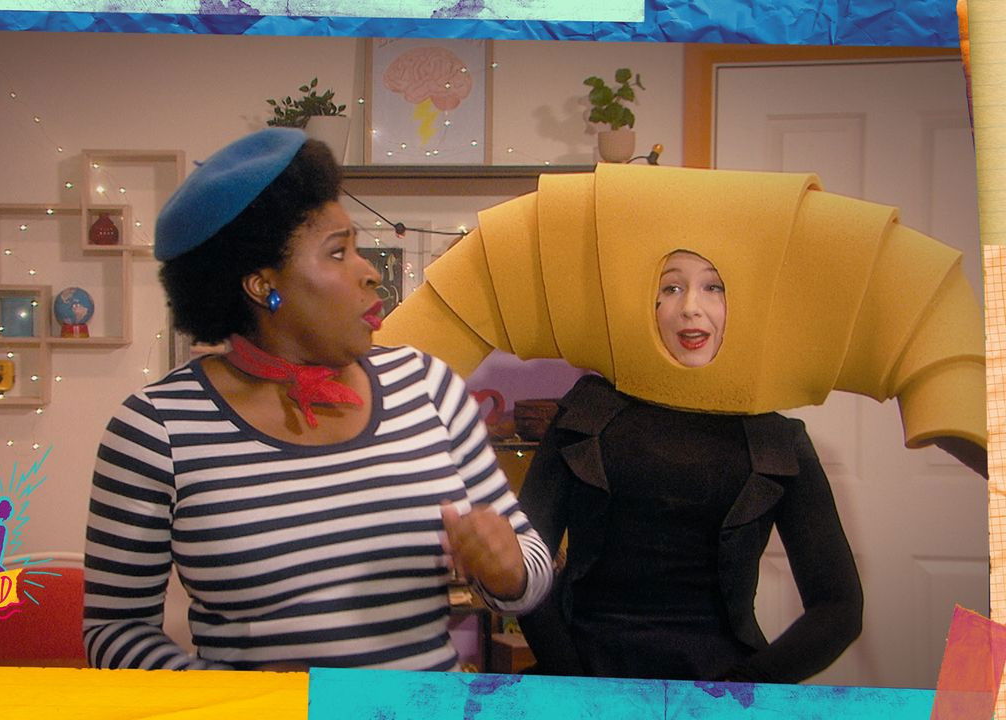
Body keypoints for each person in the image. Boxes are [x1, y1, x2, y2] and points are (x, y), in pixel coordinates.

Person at [82, 128, 552, 671]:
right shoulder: (156, 429)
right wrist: (240, 701)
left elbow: (531, 570)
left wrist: (507, 569)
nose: (369, 271)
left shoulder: (428, 387)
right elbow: (113, 630)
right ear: (263, 286)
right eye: (338, 252)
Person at [516, 249, 864, 684]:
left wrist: (738, 694)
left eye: (714, 286)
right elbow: (523, 568)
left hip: (723, 688)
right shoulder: (584, 415)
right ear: (646, 304)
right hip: (584, 684)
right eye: (671, 287)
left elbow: (839, 608)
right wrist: (574, 683)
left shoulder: (777, 439)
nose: (691, 307)